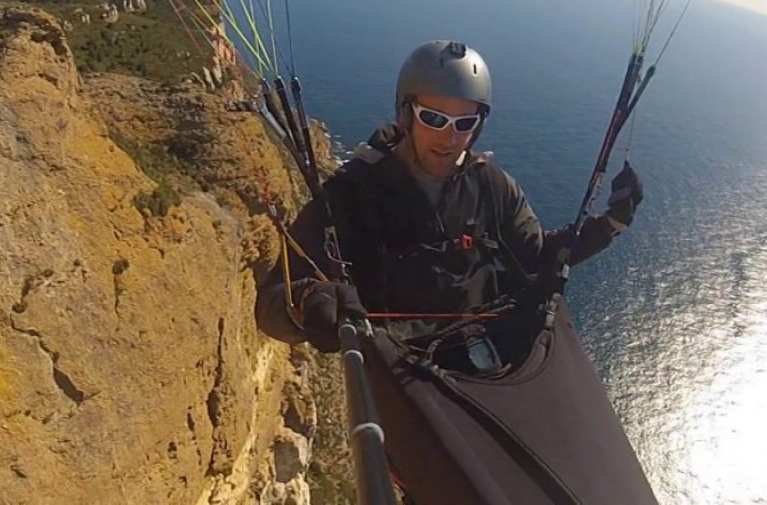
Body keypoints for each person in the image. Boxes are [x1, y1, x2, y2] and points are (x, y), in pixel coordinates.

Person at [254, 40, 653, 504]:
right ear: (406, 113)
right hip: (413, 390)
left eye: (465, 123)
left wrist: (611, 224)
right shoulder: (351, 197)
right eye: (434, 118)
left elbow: (539, 257)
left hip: (487, 380)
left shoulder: (491, 186)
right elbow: (270, 305)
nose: (449, 136)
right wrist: (312, 303)